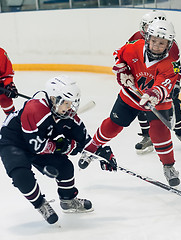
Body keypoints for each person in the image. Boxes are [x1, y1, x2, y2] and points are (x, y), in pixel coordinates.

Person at [0, 75, 116, 224]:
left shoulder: (68, 118)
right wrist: (65, 147)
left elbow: (86, 142)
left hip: (39, 143)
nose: (70, 108)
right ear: (54, 99)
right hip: (13, 142)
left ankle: (68, 200)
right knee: (21, 175)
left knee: (65, 167)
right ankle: (40, 204)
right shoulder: (34, 110)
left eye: (72, 103)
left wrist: (101, 153)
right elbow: (37, 146)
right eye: (66, 103)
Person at [81, 20, 181, 187]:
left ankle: (169, 167)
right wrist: (123, 71)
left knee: (159, 134)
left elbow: (162, 85)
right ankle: (91, 148)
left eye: (161, 43)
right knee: (113, 125)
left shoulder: (171, 63)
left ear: (169, 44)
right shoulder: (134, 46)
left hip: (156, 103)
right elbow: (119, 55)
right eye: (154, 40)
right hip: (130, 96)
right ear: (148, 37)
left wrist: (153, 95)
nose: (156, 45)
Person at [128, 11, 181, 154]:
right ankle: (147, 136)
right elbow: (128, 57)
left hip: (161, 80)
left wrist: (175, 84)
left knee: (173, 106)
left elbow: (176, 67)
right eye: (148, 26)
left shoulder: (170, 44)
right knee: (141, 107)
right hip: (143, 79)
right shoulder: (136, 38)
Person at [0, 47, 18, 115]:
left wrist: (9, 86)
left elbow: (7, 74)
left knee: (5, 99)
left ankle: (12, 119)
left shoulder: (1, 53)